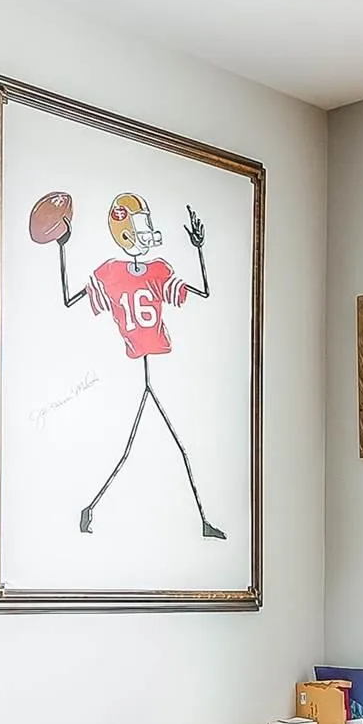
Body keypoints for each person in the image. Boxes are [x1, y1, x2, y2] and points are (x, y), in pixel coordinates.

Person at [65, 192, 225, 539]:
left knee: (178, 445)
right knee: (125, 448)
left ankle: (202, 522)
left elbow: (203, 291)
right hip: (131, 366)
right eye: (142, 225)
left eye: (148, 223)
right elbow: (69, 298)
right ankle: (89, 508)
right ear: (125, 233)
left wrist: (199, 249)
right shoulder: (110, 273)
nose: (148, 231)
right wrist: (63, 243)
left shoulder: (158, 270)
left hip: (160, 364)